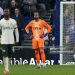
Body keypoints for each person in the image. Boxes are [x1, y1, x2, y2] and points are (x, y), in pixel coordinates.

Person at [0, 8, 19, 75]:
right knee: (5, 54)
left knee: (10, 55)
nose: (6, 12)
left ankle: (7, 65)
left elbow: (16, 31)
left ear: (9, 13)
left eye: (7, 11)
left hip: (11, 41)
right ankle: (6, 69)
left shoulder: (13, 21)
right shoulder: (1, 21)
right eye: (5, 11)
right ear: (3, 13)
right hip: (4, 41)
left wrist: (17, 40)